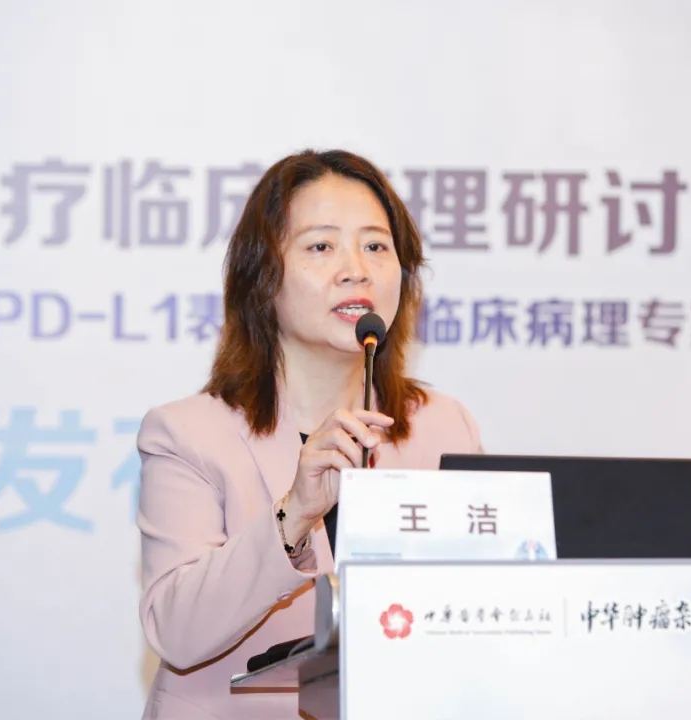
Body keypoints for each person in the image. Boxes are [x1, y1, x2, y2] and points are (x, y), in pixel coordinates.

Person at [136, 149, 484, 720]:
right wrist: (293, 515)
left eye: (376, 247)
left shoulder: (444, 426)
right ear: (263, 278)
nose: (356, 269)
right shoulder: (187, 434)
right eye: (321, 247)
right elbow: (175, 632)